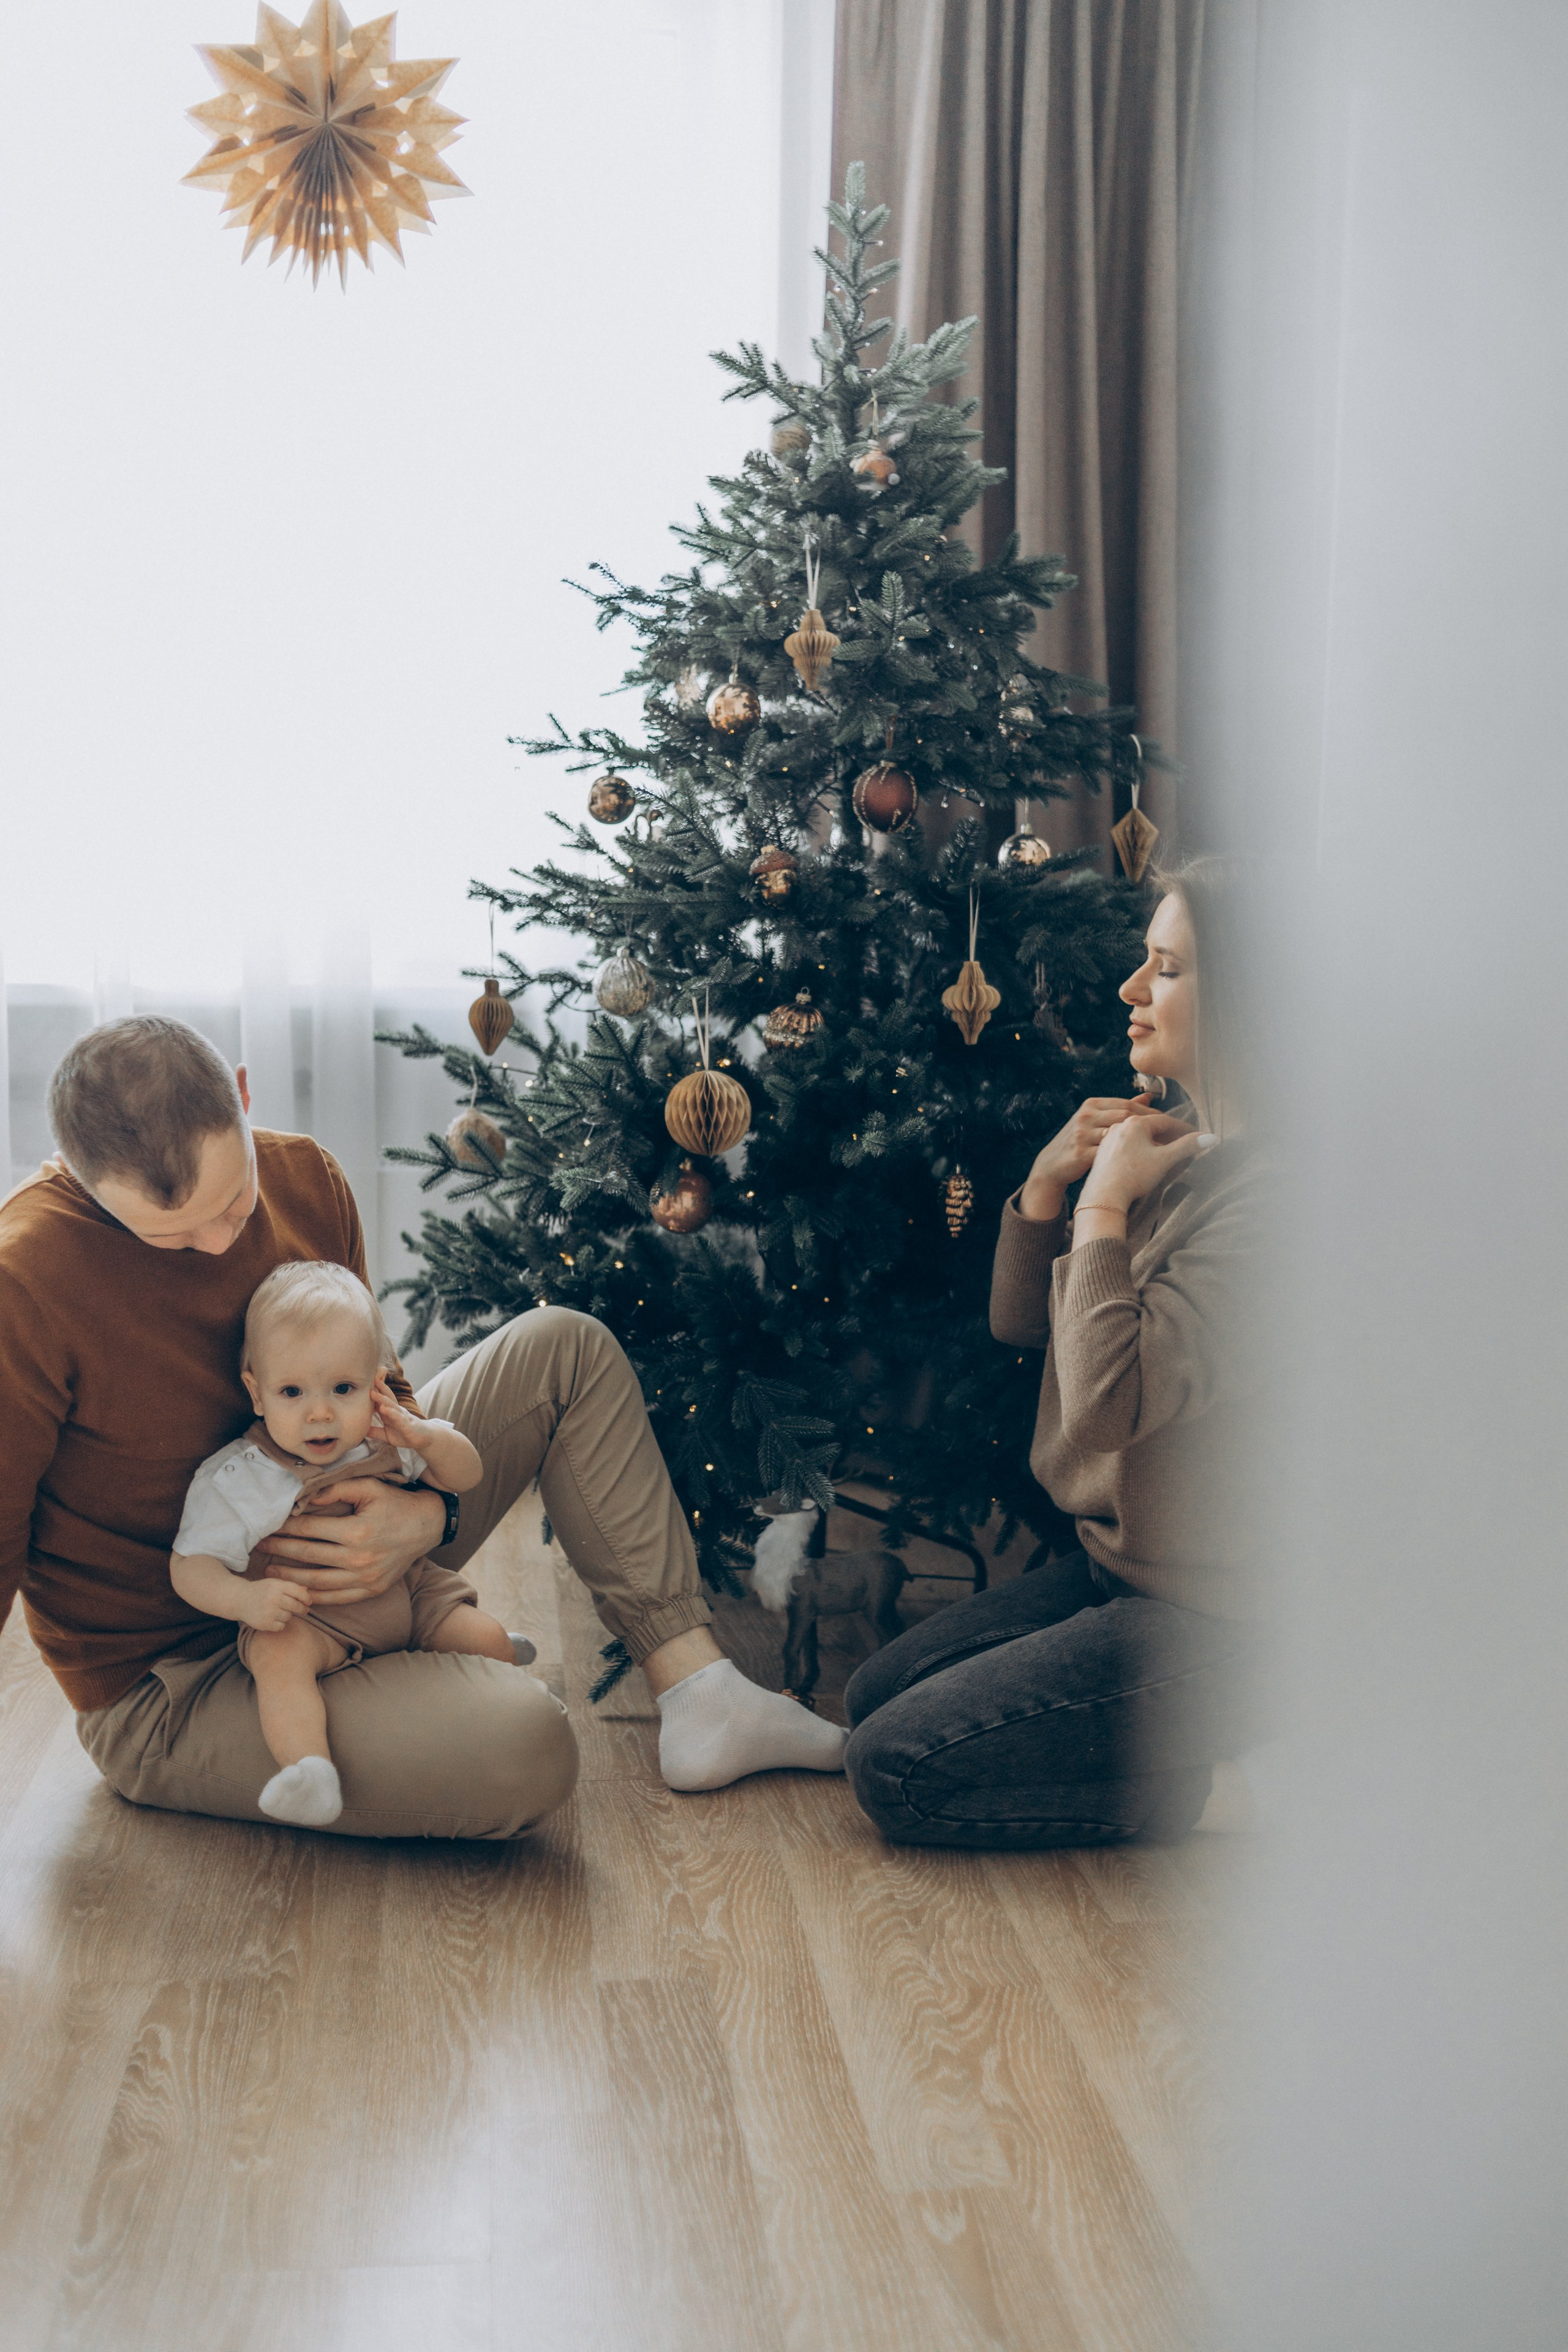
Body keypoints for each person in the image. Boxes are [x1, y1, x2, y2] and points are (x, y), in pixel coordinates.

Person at [0, 1017, 846, 1841]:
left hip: (367, 1548)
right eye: (172, 1236)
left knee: (568, 1347)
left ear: (245, 1099)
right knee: (524, 1747)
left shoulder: (306, 1178)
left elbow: (387, 1394)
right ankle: (375, 1695)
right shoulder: (25, 1278)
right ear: (81, 1178)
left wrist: (427, 1516)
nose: (221, 1244)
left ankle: (702, 1694)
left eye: (233, 1201)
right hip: (187, 1672)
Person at [844, 860, 1267, 1848]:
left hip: (1220, 1617)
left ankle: (1210, 1787)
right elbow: (1026, 1329)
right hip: (1123, 1570)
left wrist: (1105, 1205)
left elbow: (1107, 1405)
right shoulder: (1179, 1148)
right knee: (873, 1698)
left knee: (897, 1772)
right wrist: (1047, 1188)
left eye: (1167, 969)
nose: (1131, 988)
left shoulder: (1269, 1209)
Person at [171, 1260, 508, 1828]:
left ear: (376, 1382)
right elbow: (189, 1565)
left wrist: (427, 1437)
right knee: (277, 1660)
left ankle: (503, 1692)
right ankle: (310, 1772)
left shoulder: (387, 1437)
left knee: (488, 1639)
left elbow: (466, 1475)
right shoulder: (241, 1476)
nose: (320, 1412)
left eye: (344, 1389)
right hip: (312, 1622)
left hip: (409, 1595)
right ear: (256, 1393)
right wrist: (244, 1600)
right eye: (292, 1391)